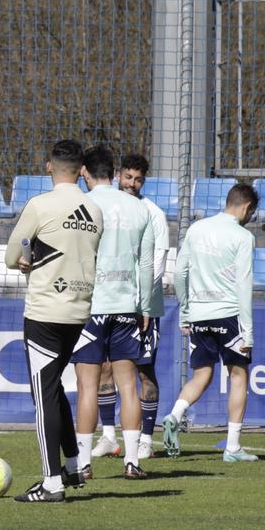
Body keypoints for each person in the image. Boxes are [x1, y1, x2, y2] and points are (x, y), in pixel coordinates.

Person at [3, 140, 102, 503]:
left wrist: (26, 260)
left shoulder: (40, 205)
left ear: (49, 167)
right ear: (81, 171)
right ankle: (73, 465)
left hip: (45, 310)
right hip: (79, 311)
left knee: (43, 395)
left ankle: (52, 482)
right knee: (54, 386)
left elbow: (13, 255)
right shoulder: (94, 209)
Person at [64, 143, 158, 490]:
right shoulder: (138, 209)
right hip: (125, 308)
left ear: (85, 172)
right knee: (128, 385)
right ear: (114, 172)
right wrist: (145, 306)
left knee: (88, 385)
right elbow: (146, 264)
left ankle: (84, 464)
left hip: (90, 307)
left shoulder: (82, 205)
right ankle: (132, 462)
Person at [161, 181, 260, 462]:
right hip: (228, 315)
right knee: (239, 375)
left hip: (200, 315)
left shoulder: (197, 228)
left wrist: (185, 311)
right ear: (247, 207)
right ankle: (232, 448)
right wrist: (248, 333)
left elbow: (180, 273)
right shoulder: (242, 237)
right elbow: (244, 285)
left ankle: (174, 414)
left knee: (201, 375)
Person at [102, 152, 171, 460]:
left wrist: (140, 298)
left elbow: (156, 261)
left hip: (142, 308)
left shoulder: (153, 213)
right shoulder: (107, 206)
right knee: (102, 369)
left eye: (138, 179)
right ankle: (107, 436)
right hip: (108, 302)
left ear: (145, 181)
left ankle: (145, 439)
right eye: (127, 177)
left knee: (143, 372)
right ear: (118, 175)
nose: (131, 183)